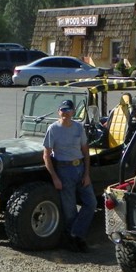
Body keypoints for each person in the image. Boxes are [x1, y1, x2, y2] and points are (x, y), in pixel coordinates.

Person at [43, 99, 96, 252]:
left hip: (79, 168)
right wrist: (55, 177)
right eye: (62, 110)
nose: (65, 113)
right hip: (63, 170)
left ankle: (75, 234)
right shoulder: (53, 129)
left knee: (91, 203)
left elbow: (86, 152)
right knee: (69, 209)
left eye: (68, 110)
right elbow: (46, 155)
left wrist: (87, 174)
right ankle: (75, 241)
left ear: (73, 112)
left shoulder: (79, 128)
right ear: (59, 112)